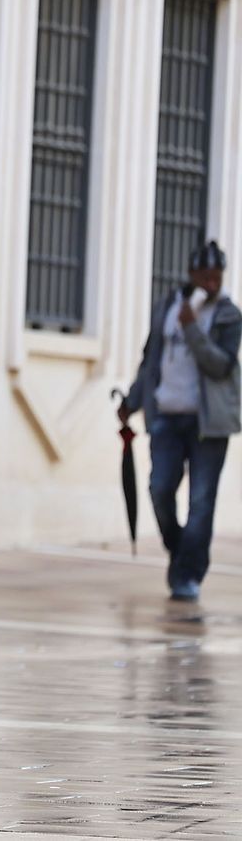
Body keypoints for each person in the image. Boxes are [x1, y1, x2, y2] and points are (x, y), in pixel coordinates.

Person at [121, 240, 240, 602]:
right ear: (192, 275)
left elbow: (220, 365)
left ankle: (187, 576)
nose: (212, 284)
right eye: (206, 277)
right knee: (159, 490)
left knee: (202, 502)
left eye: (217, 277)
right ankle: (182, 550)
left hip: (208, 424)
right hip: (166, 419)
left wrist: (192, 329)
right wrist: (131, 402)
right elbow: (151, 360)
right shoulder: (167, 307)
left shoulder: (227, 315)